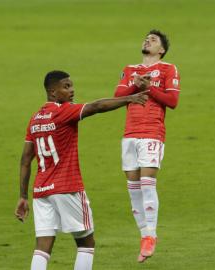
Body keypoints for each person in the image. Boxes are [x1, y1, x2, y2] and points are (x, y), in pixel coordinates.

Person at [14, 70, 148, 270]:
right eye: (66, 86)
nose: (72, 90)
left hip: (41, 191)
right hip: (67, 187)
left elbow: (25, 160)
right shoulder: (63, 112)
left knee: (42, 246)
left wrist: (23, 196)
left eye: (71, 86)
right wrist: (130, 98)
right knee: (86, 243)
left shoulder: (34, 120)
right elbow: (96, 106)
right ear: (53, 92)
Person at [114, 29, 180, 263]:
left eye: (153, 40)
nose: (147, 41)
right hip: (129, 133)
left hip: (152, 132)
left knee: (147, 183)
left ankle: (151, 235)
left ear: (161, 50)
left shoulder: (168, 69)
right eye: (146, 38)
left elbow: (172, 101)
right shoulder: (130, 69)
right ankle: (144, 236)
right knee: (132, 186)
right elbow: (118, 94)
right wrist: (137, 85)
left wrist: (148, 87)